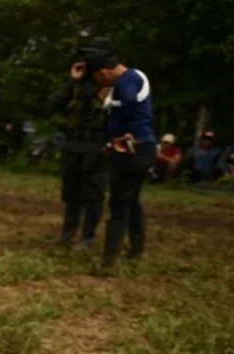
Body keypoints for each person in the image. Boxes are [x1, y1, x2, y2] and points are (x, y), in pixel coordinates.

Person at [87, 50, 156, 269]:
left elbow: (128, 104)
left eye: (97, 79)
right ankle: (136, 250)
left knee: (119, 204)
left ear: (104, 72)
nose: (99, 84)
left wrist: (119, 137)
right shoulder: (135, 77)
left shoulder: (126, 82)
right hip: (144, 146)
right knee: (131, 200)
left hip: (131, 148)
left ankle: (109, 260)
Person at [52, 41, 110, 246]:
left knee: (93, 193)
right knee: (71, 191)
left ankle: (88, 236)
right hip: (73, 142)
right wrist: (72, 81)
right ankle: (68, 233)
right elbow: (56, 104)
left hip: (96, 144)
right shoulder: (76, 84)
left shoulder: (109, 85)